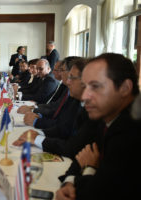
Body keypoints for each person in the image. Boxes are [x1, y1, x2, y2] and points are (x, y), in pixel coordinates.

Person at [55, 53, 140, 200]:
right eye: (85, 86)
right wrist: (69, 182)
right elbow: (83, 155)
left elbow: (97, 193)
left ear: (125, 88)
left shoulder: (131, 133)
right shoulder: (108, 116)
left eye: (95, 86)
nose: (85, 96)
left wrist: (89, 169)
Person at [13, 58, 89, 156]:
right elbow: (61, 123)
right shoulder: (72, 95)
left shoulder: (54, 82)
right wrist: (38, 133)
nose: (57, 73)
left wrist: (38, 128)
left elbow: (73, 145)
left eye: (61, 70)